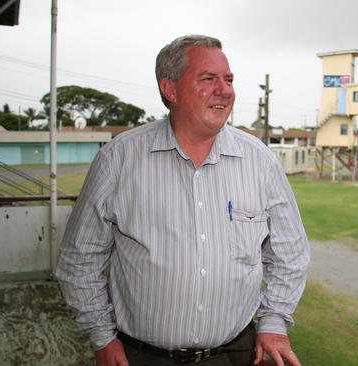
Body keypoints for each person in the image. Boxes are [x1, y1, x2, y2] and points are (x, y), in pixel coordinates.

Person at [55, 34, 310, 366]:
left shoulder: (260, 162)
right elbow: (79, 260)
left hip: (234, 355)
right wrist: (101, 336)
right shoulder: (119, 158)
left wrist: (274, 323)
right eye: (209, 78)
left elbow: (290, 253)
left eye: (229, 80)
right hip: (142, 358)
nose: (225, 90)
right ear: (170, 89)